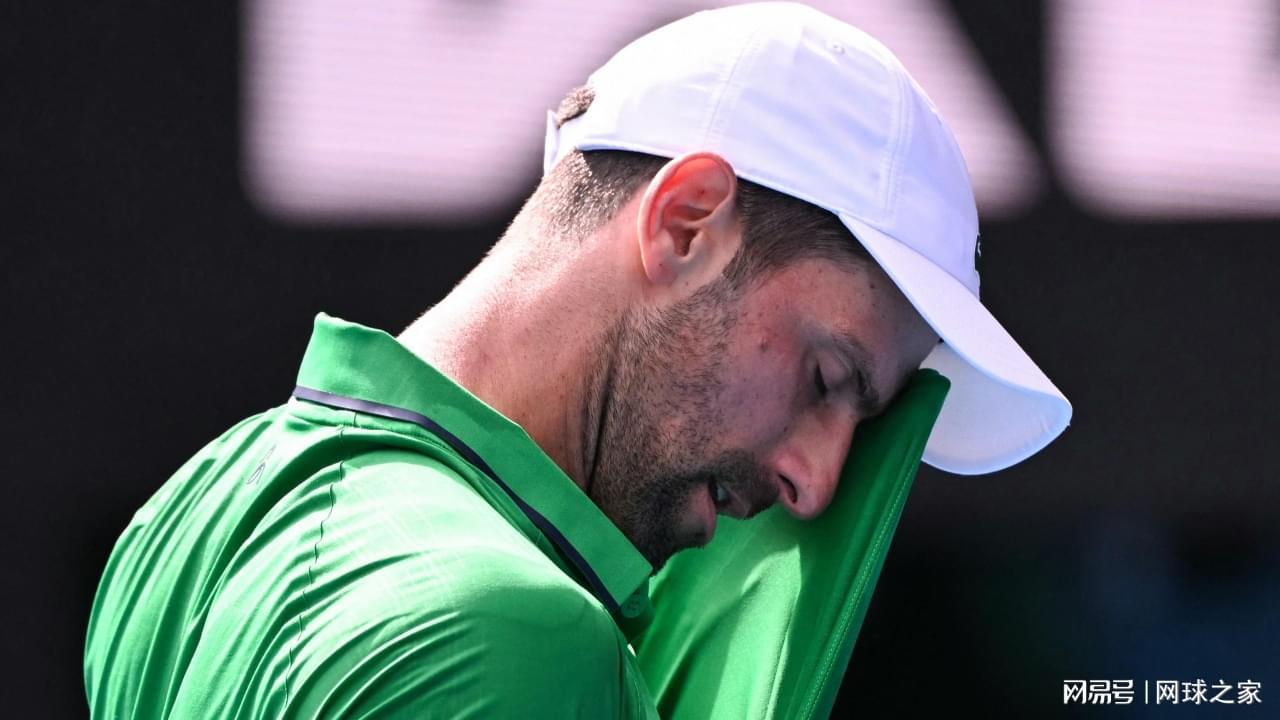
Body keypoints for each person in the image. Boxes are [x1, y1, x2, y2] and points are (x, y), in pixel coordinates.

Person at [84, 3, 1071, 718]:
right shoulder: (517, 631)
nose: (815, 484)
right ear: (686, 224)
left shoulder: (188, 515)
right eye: (825, 380)